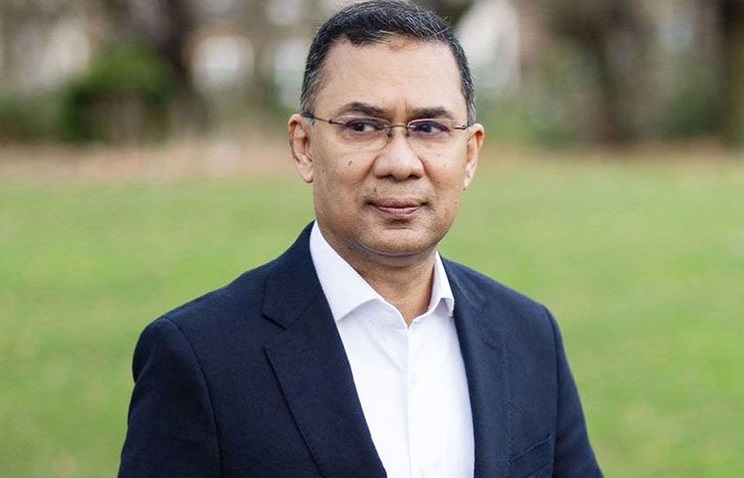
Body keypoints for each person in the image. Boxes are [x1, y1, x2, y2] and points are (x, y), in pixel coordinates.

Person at [118, 1, 603, 477]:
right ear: (304, 147)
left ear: (470, 154)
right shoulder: (200, 358)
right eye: (363, 126)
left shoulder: (529, 336)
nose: (400, 163)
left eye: (429, 128)